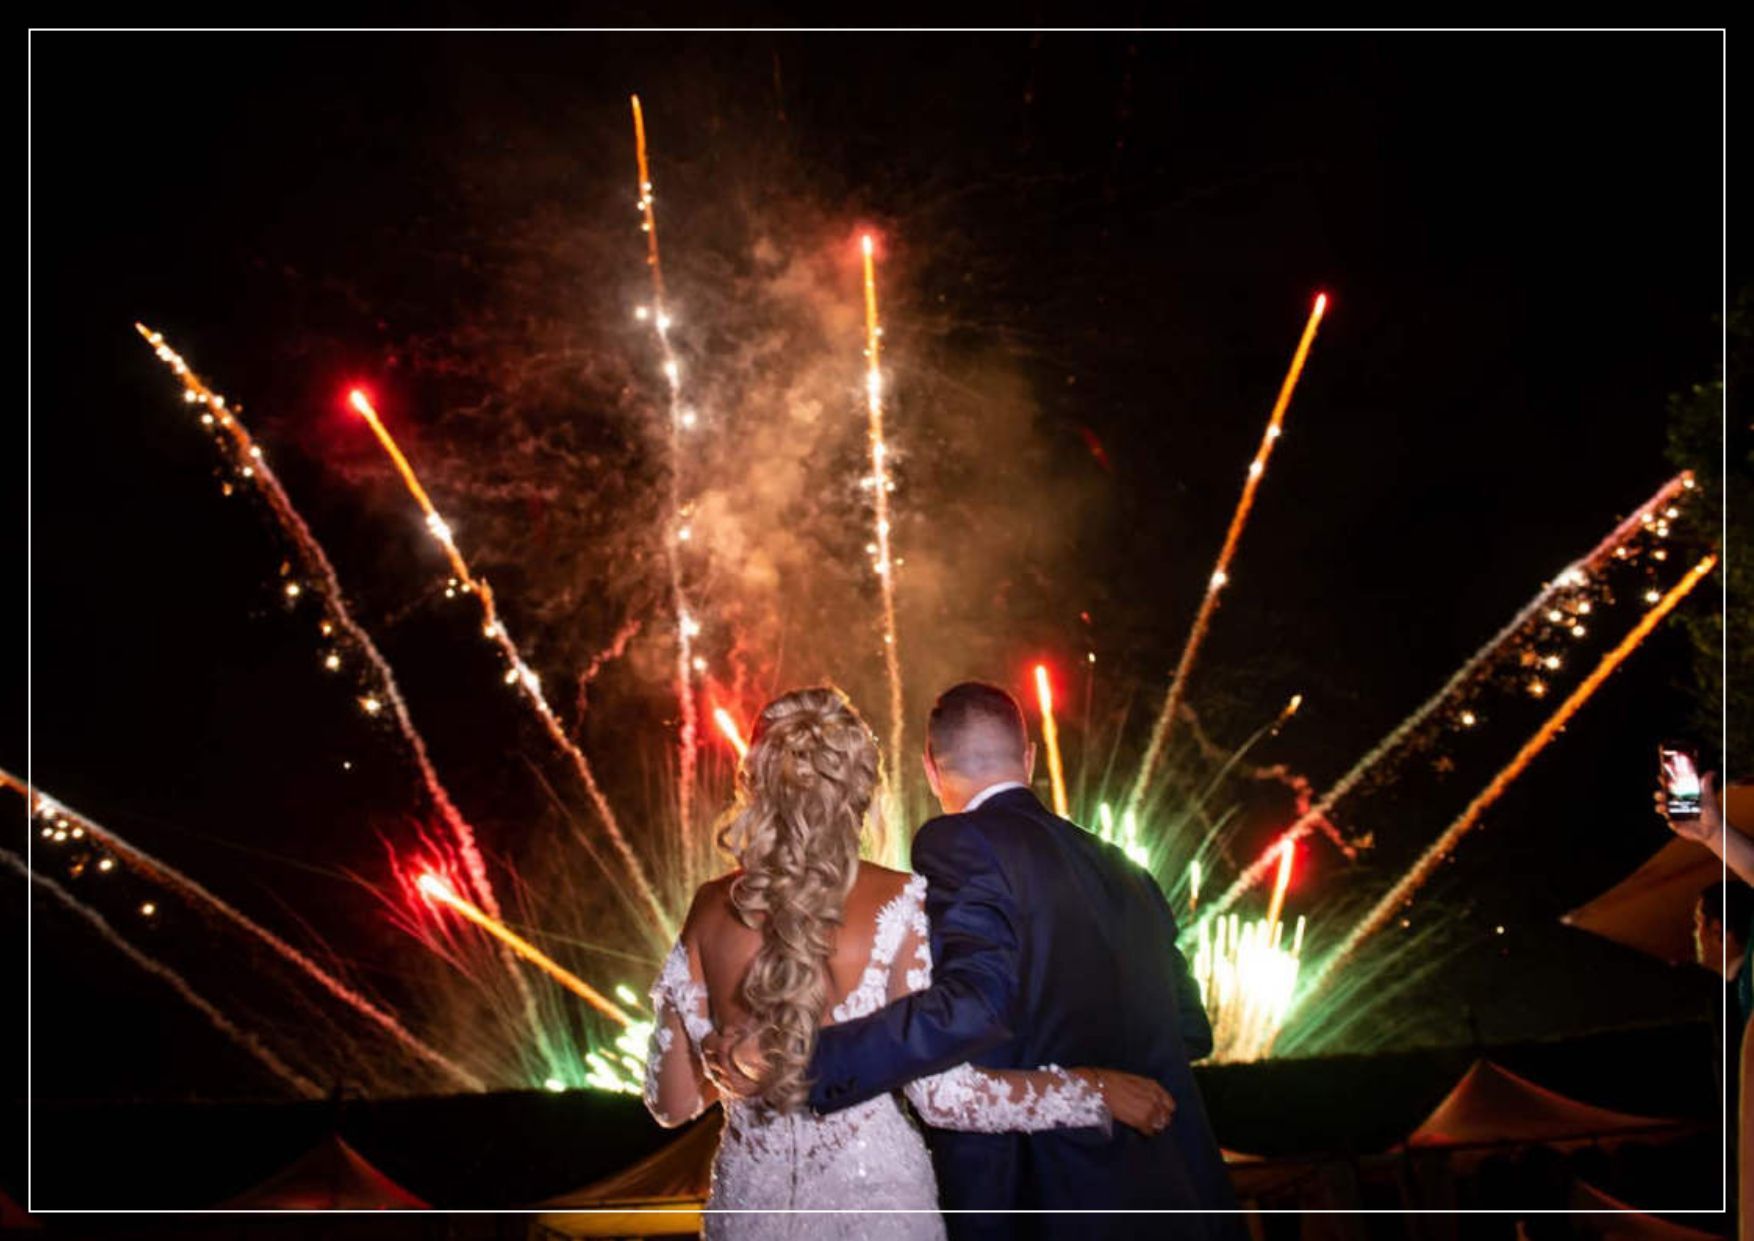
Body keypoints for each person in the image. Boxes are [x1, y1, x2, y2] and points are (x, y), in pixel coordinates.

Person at [641, 686, 1175, 1240]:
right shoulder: (900, 901)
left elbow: (671, 1103)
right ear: (862, 787)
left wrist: (734, 1068)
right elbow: (946, 1100)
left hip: (748, 1213)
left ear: (752, 780)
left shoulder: (707, 909)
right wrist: (1092, 1090)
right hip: (880, 1209)